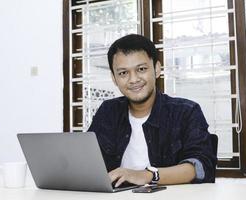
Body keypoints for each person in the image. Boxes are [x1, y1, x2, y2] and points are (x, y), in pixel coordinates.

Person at [88, 34, 217, 187]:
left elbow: (200, 167)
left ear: (156, 69)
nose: (133, 79)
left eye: (141, 69)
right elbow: (86, 160)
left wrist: (147, 175)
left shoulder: (186, 112)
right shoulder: (108, 111)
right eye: (123, 73)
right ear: (114, 78)